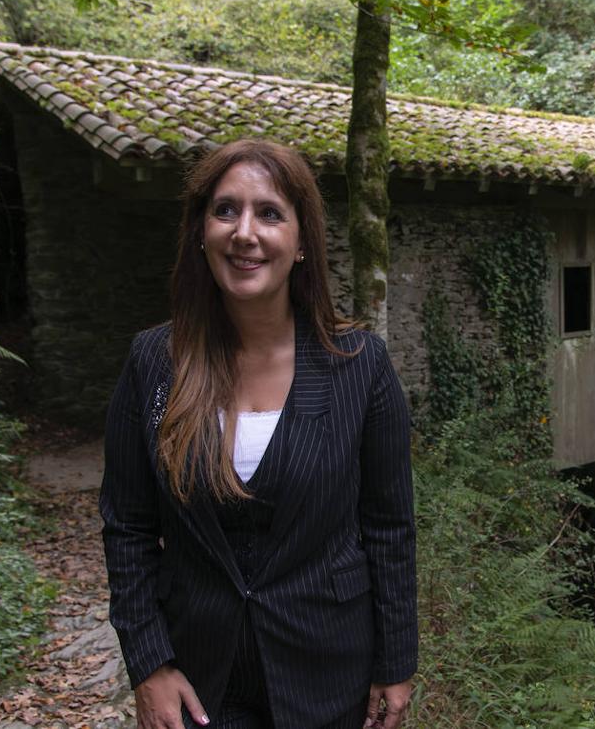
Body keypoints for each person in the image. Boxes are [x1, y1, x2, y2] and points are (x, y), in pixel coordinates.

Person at [100, 139, 417, 729]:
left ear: (302, 242)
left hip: (330, 674)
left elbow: (389, 526)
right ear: (201, 232)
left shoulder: (358, 365)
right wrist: (149, 663)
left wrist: (396, 662)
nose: (244, 232)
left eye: (269, 213)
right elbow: (128, 527)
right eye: (226, 210)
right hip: (198, 679)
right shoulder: (154, 362)